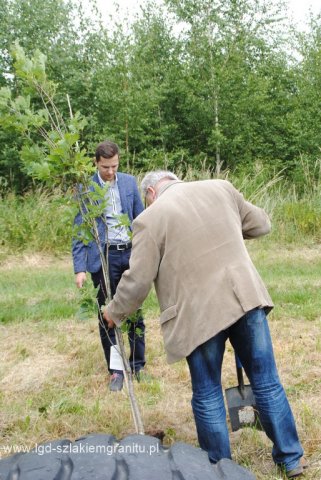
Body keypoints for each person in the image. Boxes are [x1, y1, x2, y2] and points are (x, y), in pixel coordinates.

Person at [104, 170, 305, 478]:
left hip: (198, 315)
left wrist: (113, 312)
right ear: (175, 180)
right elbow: (262, 223)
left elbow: (138, 281)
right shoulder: (221, 188)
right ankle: (291, 460)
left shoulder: (150, 217)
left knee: (208, 393)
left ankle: (220, 470)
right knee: (267, 381)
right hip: (244, 300)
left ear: (151, 194)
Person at [72, 140, 145, 392]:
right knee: (107, 313)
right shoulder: (85, 189)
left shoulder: (129, 182)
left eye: (114, 166)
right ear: (96, 163)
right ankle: (116, 370)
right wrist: (80, 268)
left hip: (130, 254)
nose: (111, 172)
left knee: (135, 309)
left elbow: (141, 220)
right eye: (105, 167)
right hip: (104, 256)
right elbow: (80, 229)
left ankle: (137, 365)